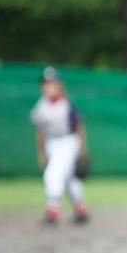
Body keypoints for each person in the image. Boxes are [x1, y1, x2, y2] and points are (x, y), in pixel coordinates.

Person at [30, 67, 90, 225]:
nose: (49, 86)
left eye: (52, 83)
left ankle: (52, 211)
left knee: (53, 174)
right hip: (52, 144)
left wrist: (83, 150)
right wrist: (41, 153)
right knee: (69, 179)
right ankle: (81, 209)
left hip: (68, 142)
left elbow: (79, 128)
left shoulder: (67, 104)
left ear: (59, 85)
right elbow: (40, 133)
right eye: (46, 83)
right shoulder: (40, 107)